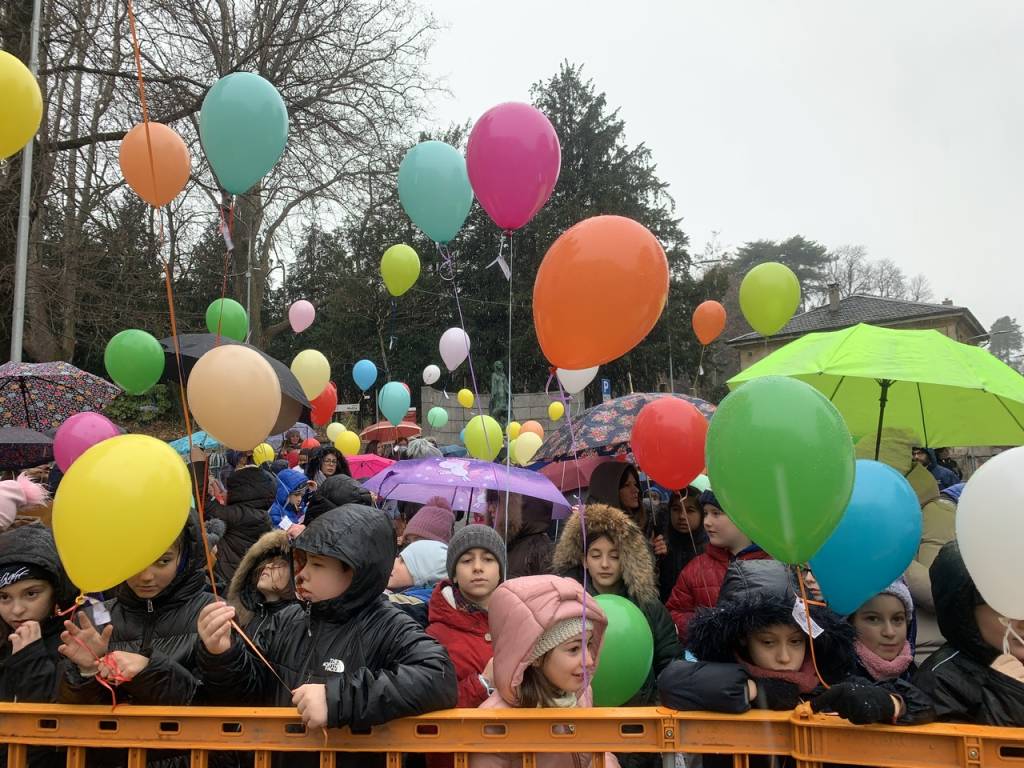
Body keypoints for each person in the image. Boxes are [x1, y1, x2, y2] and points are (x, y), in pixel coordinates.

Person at [196, 504, 457, 741]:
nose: (302, 575)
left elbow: (438, 677)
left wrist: (338, 700)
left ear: (356, 570)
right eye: (304, 561)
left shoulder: (389, 626)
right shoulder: (286, 619)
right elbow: (246, 694)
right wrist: (223, 655)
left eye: (318, 565)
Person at [659, 561, 923, 760]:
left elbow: (922, 702)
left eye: (796, 642)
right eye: (768, 642)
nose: (785, 657)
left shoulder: (824, 678)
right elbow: (673, 681)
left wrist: (890, 703)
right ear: (742, 639)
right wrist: (755, 690)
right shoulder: (722, 673)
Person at [470, 575, 618, 768]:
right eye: (573, 649)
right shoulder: (495, 722)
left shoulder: (581, 695)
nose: (589, 660)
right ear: (536, 657)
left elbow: (598, 751)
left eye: (589, 645)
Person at [552, 504, 680, 707]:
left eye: (614, 556)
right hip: (580, 714)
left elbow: (670, 663)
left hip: (640, 714)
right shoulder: (566, 606)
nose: (605, 564)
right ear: (584, 560)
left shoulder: (648, 607)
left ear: (626, 560)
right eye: (595, 555)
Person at [858, 430, 955, 663]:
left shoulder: (936, 512)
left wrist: (886, 551)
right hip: (874, 646)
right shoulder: (877, 515)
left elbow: (938, 590)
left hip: (927, 652)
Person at [914, 542, 1024, 725]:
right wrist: (1007, 700)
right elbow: (950, 752)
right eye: (1004, 606)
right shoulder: (939, 682)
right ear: (964, 611)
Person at [665, 490, 770, 644]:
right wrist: (703, 627)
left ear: (742, 517)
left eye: (716, 513)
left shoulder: (775, 566)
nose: (707, 521)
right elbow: (674, 612)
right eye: (706, 513)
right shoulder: (695, 568)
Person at [426, 525, 507, 708]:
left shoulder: (521, 623)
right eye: (466, 560)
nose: (477, 567)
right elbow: (433, 701)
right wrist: (482, 684)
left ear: (501, 571)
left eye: (488, 559)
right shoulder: (434, 636)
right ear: (453, 574)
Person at [189, 447, 274, 586]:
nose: (226, 492)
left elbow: (202, 502)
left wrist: (198, 464)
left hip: (227, 584)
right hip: (240, 581)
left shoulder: (243, 516)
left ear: (242, 492)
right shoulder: (258, 514)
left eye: (231, 489)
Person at [226, 529, 296, 649]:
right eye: (268, 562)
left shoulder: (289, 626)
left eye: (279, 564)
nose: (268, 566)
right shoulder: (250, 612)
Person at [586, 463, 665, 555]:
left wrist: (660, 553)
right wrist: (647, 551)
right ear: (610, 491)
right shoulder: (595, 530)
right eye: (627, 485)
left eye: (635, 484)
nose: (636, 490)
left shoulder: (647, 521)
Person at [658, 481, 709, 603]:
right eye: (676, 509)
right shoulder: (662, 545)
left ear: (702, 514)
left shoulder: (711, 548)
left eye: (690, 510)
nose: (682, 516)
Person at [486, 491, 554, 579]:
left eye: (497, 502)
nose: (490, 509)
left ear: (520, 507)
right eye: (490, 502)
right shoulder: (496, 544)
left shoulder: (539, 551)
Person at [387, 539, 448, 626]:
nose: (393, 563)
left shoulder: (414, 606)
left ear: (425, 573)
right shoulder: (430, 600)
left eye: (403, 561)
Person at [269, 469, 310, 538]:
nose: (299, 499)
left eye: (302, 495)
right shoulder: (275, 511)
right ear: (285, 492)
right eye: (296, 495)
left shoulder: (297, 506)